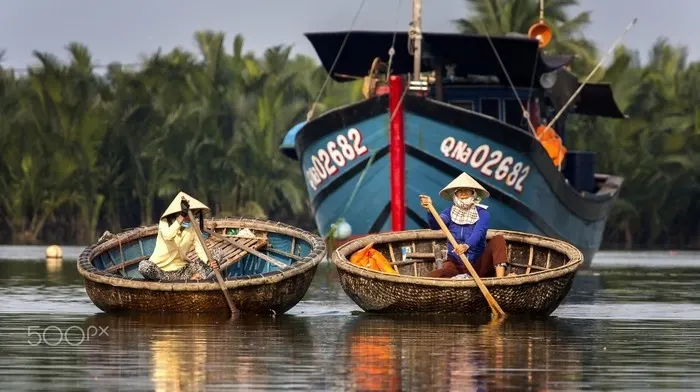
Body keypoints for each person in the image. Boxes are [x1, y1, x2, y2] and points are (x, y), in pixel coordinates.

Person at [419, 172, 508, 279]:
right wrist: (430, 210)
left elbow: (478, 233)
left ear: (473, 193)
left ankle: (500, 280)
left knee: (498, 239)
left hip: (478, 264)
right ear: (455, 195)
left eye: (467, 190)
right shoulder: (449, 212)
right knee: (432, 277)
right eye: (459, 191)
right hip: (455, 265)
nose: (463, 193)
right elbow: (436, 225)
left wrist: (466, 246)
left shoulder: (483, 213)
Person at [138, 191, 222, 281]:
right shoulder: (165, 222)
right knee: (144, 266)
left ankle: (191, 278)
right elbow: (168, 236)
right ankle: (181, 281)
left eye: (194, 213)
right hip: (161, 272)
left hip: (181, 271)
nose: (191, 216)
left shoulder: (193, 228)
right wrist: (182, 217)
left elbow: (200, 248)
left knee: (217, 253)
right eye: (189, 213)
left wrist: (209, 261)